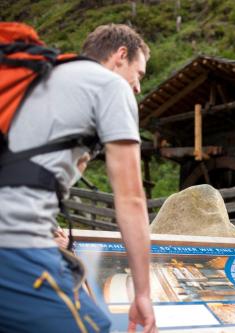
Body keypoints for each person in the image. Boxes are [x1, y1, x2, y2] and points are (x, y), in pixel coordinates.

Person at [0, 24, 157, 332]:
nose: (137, 87)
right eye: (138, 74)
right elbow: (132, 199)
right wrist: (142, 294)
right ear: (120, 55)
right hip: (13, 244)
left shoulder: (42, 79)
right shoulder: (110, 86)